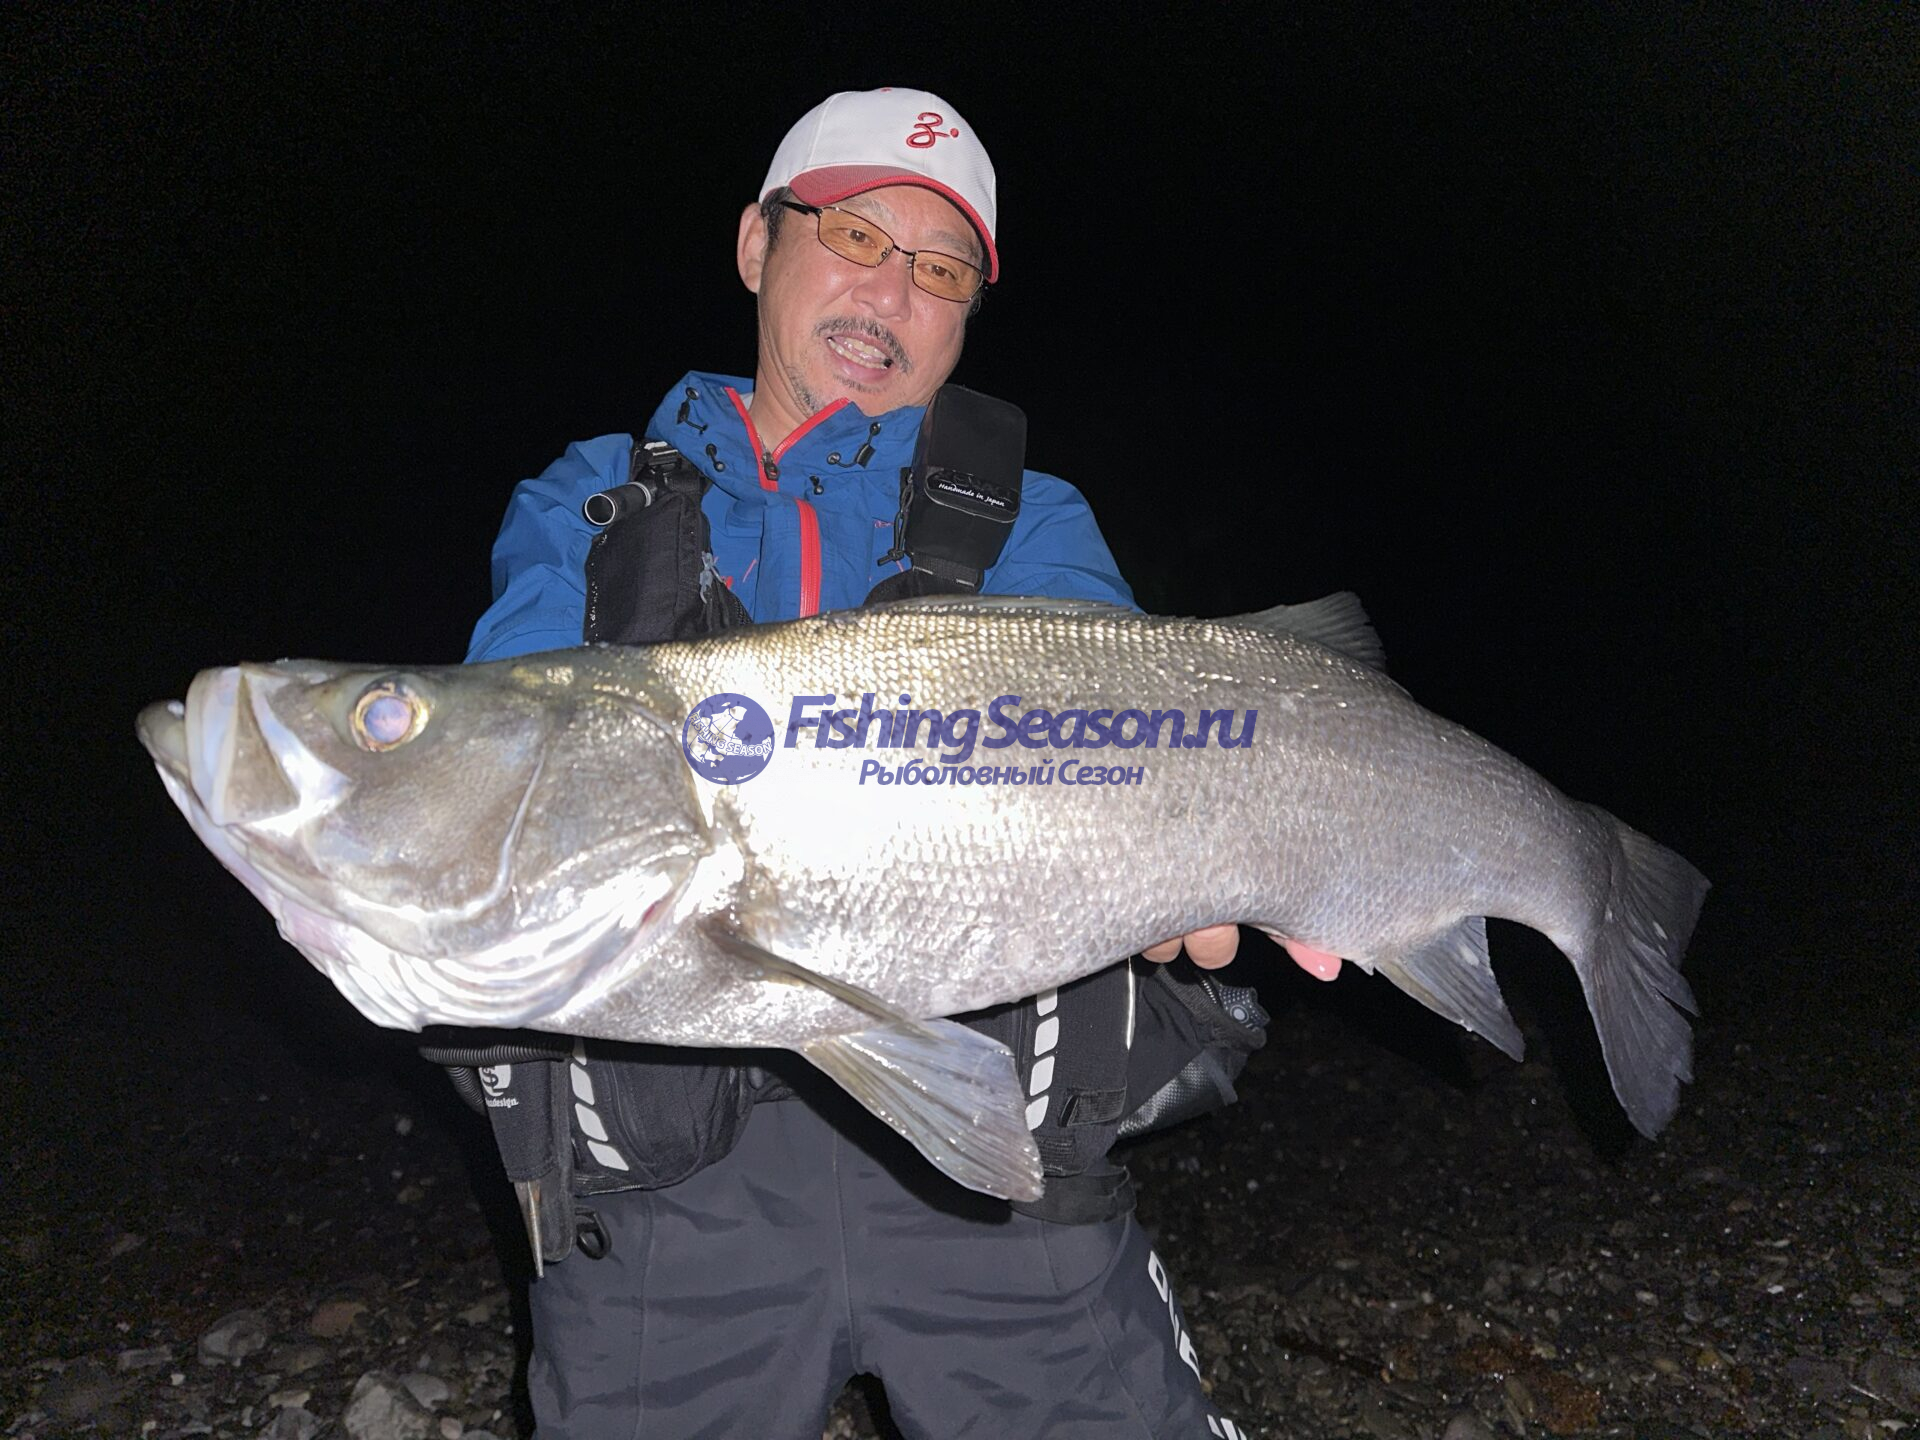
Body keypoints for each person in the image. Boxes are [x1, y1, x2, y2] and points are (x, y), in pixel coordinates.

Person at [462, 87, 1260, 1439]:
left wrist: (1210, 855)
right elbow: (512, 780)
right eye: (854, 236)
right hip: (665, 1211)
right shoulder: (584, 505)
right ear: (755, 243)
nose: (889, 293)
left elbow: (1134, 734)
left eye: (940, 271)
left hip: (1005, 1189)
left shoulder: (1036, 522)